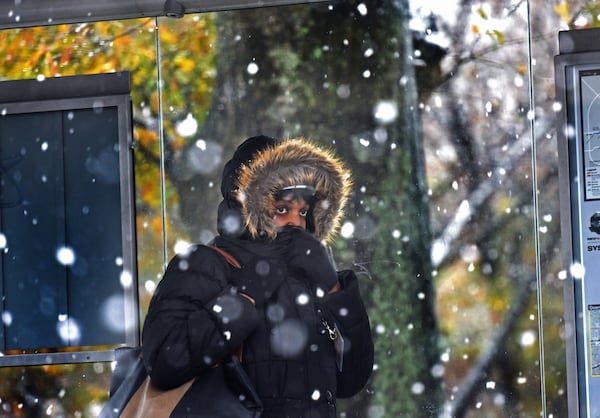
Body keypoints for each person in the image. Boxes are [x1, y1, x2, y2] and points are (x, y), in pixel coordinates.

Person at [141, 135, 374, 418]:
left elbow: (351, 380)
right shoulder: (206, 264)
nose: (296, 222)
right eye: (281, 209)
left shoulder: (308, 280)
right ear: (247, 206)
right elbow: (165, 361)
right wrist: (243, 298)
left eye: (303, 211)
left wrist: (335, 288)